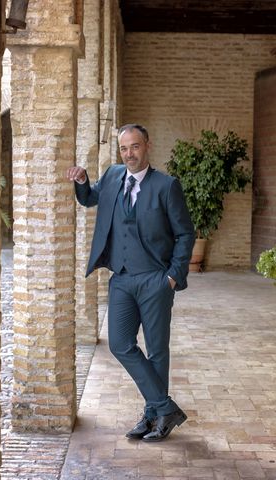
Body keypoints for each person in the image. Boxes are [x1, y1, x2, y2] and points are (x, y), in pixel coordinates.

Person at [66, 124, 195, 442]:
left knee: (156, 351)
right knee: (120, 344)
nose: (129, 154)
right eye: (124, 148)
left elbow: (185, 233)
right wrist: (82, 181)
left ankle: (154, 417)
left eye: (135, 147)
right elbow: (89, 198)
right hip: (121, 278)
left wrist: (173, 275)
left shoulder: (166, 186)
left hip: (155, 278)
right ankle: (164, 408)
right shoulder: (111, 176)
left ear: (147, 146)